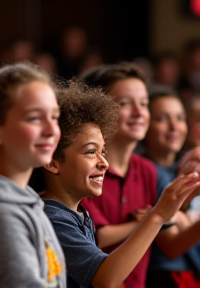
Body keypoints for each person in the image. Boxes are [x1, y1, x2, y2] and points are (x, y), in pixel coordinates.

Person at [29, 81, 200, 288]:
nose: (104, 163)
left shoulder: (77, 213)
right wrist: (158, 215)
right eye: (91, 152)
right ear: (52, 161)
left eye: (103, 152)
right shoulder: (52, 218)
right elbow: (105, 278)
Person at [80, 63, 200, 288]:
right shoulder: (84, 168)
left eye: (144, 104)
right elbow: (99, 236)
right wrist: (156, 217)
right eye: (125, 104)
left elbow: (171, 245)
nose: (139, 112)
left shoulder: (148, 171)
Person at [0, 63, 66, 287]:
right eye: (35, 118)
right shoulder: (1, 214)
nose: (51, 130)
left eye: (54, 117)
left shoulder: (26, 201)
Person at [143, 89, 200, 287]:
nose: (174, 126)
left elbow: (181, 214)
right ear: (145, 125)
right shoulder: (144, 173)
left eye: (180, 118)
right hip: (169, 276)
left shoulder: (180, 168)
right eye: (162, 118)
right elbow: (172, 246)